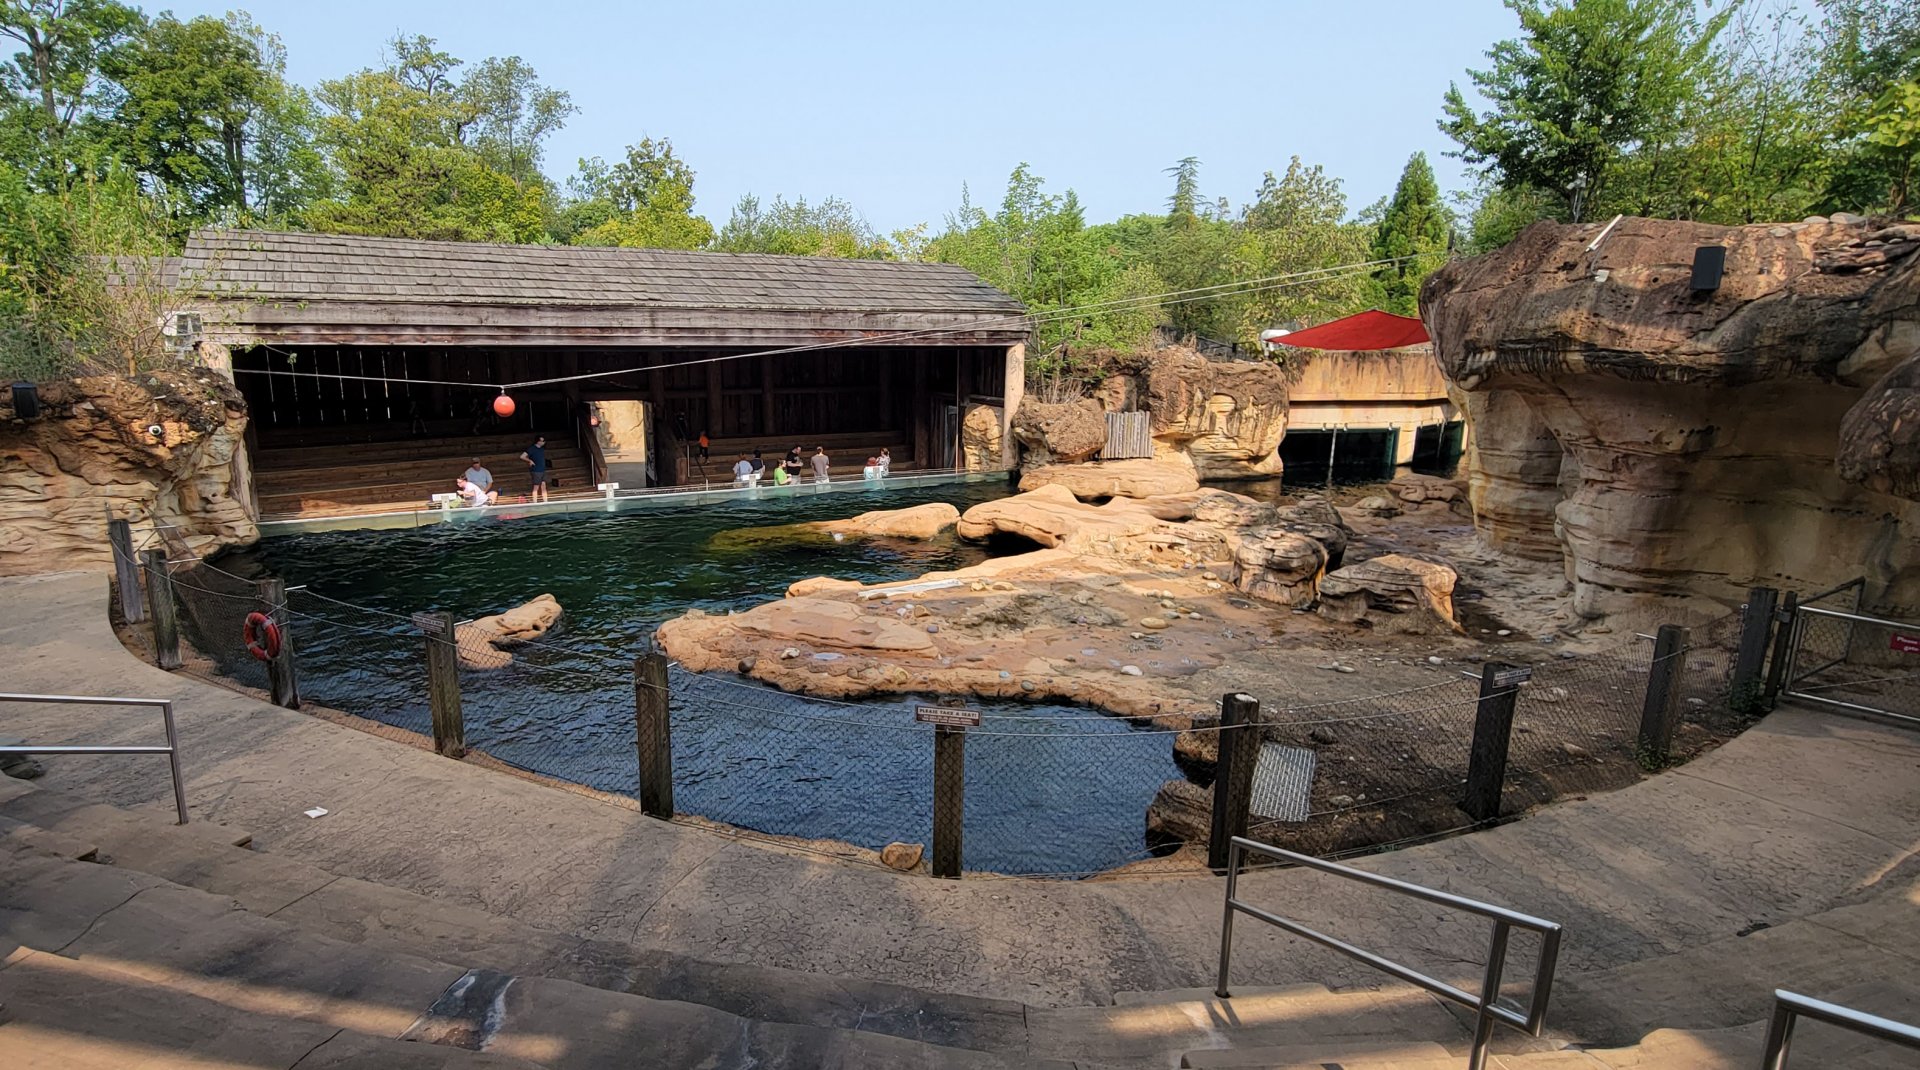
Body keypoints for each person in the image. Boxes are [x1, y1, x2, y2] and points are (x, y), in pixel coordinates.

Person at [519, 436, 549, 503]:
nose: (543, 442)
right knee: (536, 487)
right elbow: (522, 456)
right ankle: (535, 502)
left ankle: (546, 501)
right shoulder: (532, 449)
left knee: (543, 485)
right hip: (536, 470)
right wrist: (530, 460)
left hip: (542, 469)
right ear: (538, 441)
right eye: (542, 441)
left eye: (544, 441)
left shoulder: (542, 449)